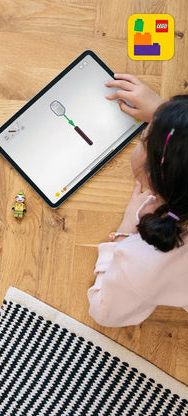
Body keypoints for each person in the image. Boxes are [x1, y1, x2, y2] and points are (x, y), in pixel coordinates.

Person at [87, 73, 188, 327]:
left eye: (144, 138)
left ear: (152, 178)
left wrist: (123, 235)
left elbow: (104, 312)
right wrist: (168, 118)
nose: (144, 131)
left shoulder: (144, 261)